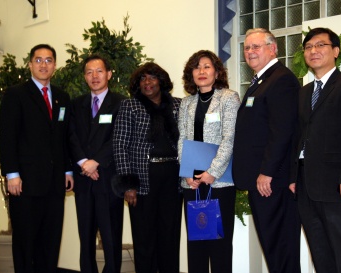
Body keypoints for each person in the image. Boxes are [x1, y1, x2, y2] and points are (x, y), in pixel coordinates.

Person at [290, 27, 341, 273]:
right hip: (305, 183)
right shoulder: (303, 92)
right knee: (320, 251)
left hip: (336, 185)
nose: (313, 51)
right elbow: (299, 137)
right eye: (309, 47)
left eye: (320, 45)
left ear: (335, 50)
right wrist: (293, 178)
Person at [0, 44, 74, 273]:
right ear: (30, 64)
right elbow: (8, 136)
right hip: (24, 183)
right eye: (38, 60)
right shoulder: (16, 94)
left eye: (48, 60)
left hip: (54, 184)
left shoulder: (62, 97)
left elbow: (65, 138)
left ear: (55, 65)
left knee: (50, 241)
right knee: (25, 242)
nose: (43, 64)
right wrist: (12, 174)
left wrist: (68, 170)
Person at [232, 28, 301, 273]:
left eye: (256, 46)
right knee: (272, 246)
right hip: (261, 180)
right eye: (247, 47)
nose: (250, 52)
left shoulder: (280, 79)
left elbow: (282, 131)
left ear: (273, 48)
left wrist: (267, 172)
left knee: (281, 246)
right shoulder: (262, 81)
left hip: (272, 181)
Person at [112, 62, 182, 273]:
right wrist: (128, 184)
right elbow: (120, 144)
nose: (147, 82)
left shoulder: (178, 105)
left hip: (172, 177)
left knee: (170, 235)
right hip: (142, 180)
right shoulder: (130, 106)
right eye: (143, 78)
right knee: (144, 238)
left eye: (152, 77)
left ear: (161, 81)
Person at [178, 50, 240, 273]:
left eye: (207, 66)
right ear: (191, 74)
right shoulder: (186, 103)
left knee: (219, 245)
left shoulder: (228, 98)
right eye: (197, 67)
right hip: (192, 181)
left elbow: (229, 138)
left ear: (216, 72)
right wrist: (185, 172)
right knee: (196, 245)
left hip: (218, 181)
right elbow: (182, 138)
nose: (201, 71)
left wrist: (212, 171)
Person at [68, 55, 125, 273]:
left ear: (109, 74)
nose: (95, 76)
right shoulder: (76, 105)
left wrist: (96, 162)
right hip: (84, 182)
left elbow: (119, 138)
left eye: (99, 71)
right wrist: (84, 163)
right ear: (84, 77)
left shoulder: (121, 103)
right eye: (89, 72)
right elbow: (71, 136)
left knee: (111, 239)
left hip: (108, 181)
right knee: (86, 238)